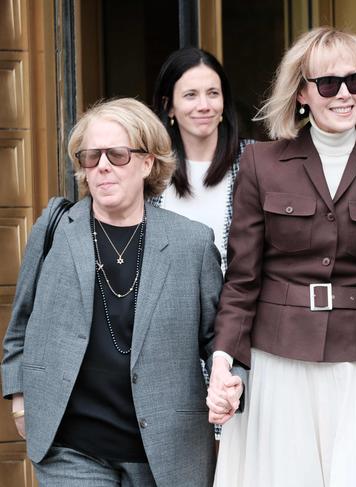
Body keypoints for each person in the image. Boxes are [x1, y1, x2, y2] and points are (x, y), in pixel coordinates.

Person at [206, 26, 356, 487]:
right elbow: (242, 279)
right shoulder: (261, 164)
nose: (344, 95)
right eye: (328, 84)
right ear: (301, 94)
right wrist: (221, 363)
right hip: (279, 359)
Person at [1, 98, 222, 486]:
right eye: (91, 157)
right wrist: (20, 401)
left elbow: (216, 339)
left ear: (147, 162)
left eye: (117, 155)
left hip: (165, 450)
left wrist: (231, 379)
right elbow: (21, 323)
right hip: (72, 447)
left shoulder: (192, 243)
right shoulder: (55, 230)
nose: (102, 166)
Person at [151, 47, 253, 275]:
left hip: (238, 304)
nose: (204, 105)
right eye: (191, 95)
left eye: (213, 93)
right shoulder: (150, 169)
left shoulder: (254, 160)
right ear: (168, 106)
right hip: (174, 303)